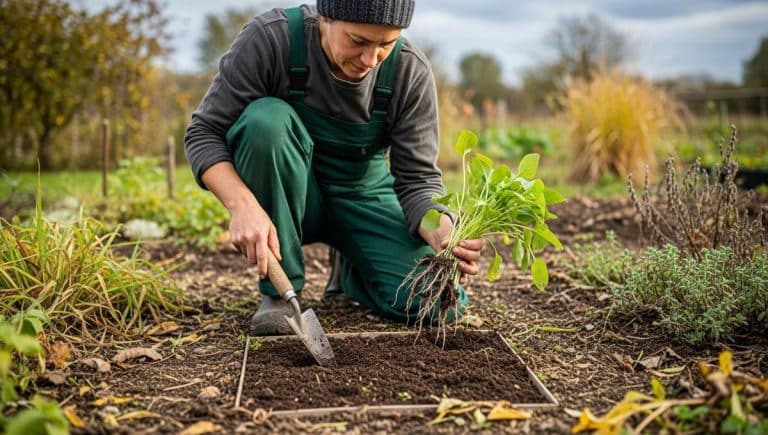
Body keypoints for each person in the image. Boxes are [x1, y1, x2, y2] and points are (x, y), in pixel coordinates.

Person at [184, 0, 484, 335]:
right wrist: (242, 204)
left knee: (438, 301)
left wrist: (440, 226)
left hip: (362, 195)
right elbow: (204, 133)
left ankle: (353, 267)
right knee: (265, 122)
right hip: (287, 197)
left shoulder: (409, 70)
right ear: (325, 18)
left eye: (386, 44)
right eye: (358, 41)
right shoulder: (272, 40)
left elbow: (417, 178)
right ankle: (281, 295)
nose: (371, 60)